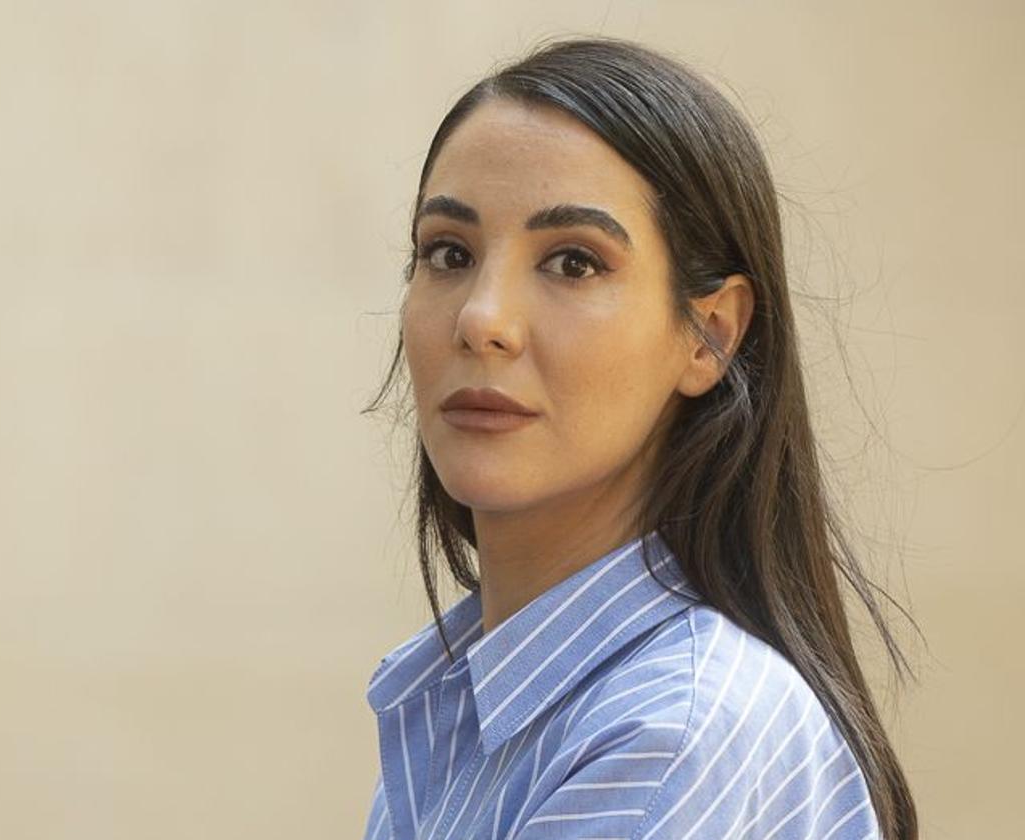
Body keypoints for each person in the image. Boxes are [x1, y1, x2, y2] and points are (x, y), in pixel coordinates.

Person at [360, 35, 918, 840]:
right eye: (448, 252)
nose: (481, 319)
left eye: (574, 264)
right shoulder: (466, 707)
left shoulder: (671, 735)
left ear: (710, 335)